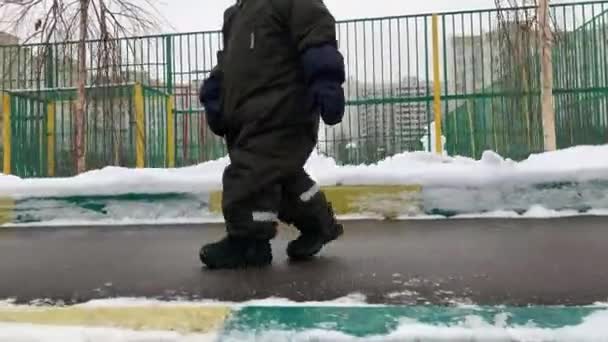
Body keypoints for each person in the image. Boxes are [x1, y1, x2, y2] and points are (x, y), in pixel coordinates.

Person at [198, 0, 346, 269]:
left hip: (284, 109)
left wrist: (326, 80)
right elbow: (229, 63)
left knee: (250, 172)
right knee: (278, 176)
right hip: (247, 118)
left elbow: (317, 38)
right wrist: (215, 93)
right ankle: (320, 225)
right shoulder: (236, 14)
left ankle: (249, 243)